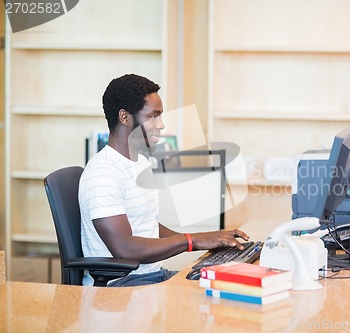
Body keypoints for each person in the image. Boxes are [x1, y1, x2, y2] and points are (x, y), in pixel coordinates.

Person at [78, 73, 249, 287]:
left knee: (224, 286)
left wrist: (205, 239)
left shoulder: (138, 163)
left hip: (150, 276)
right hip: (121, 288)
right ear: (125, 117)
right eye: (152, 116)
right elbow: (125, 249)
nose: (160, 125)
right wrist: (192, 240)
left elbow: (147, 224)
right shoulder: (103, 173)